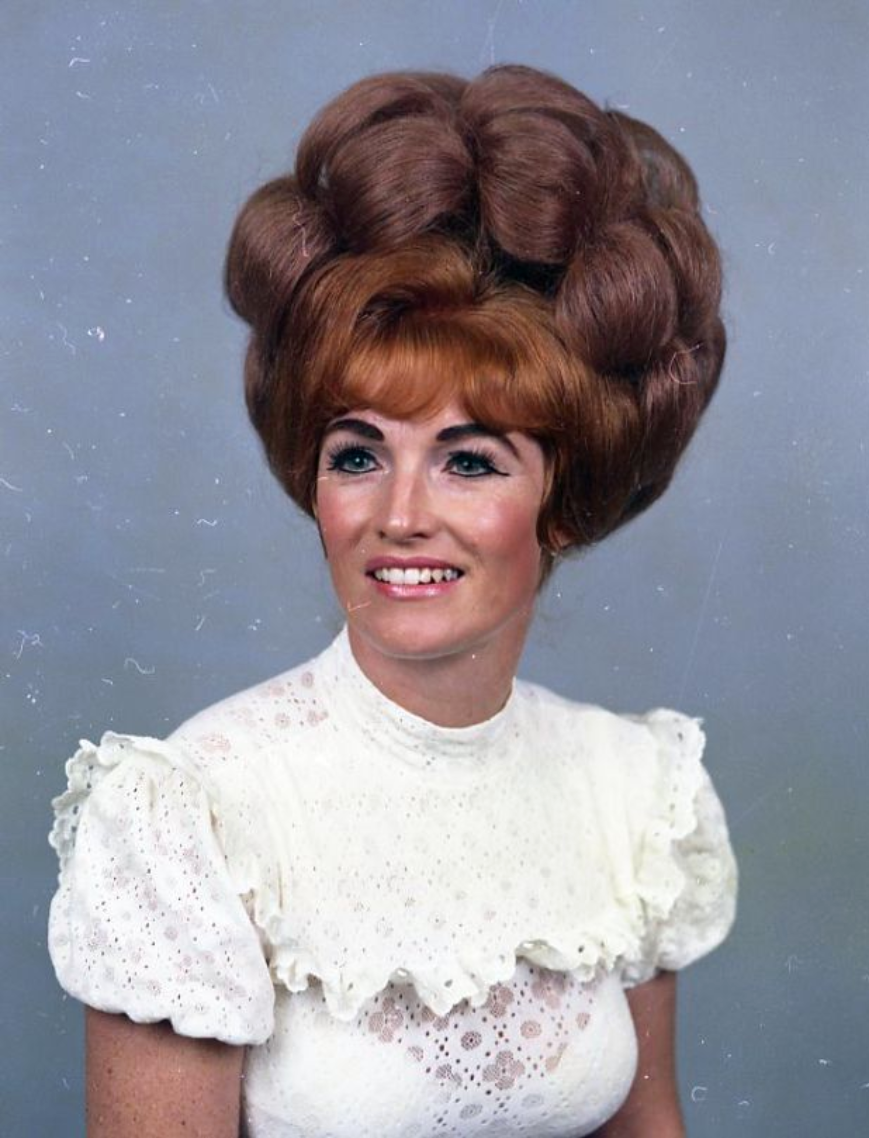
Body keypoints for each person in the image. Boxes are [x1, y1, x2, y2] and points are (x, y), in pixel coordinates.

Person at [48, 64, 738, 1137]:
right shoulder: (196, 812)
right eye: (359, 452)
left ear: (563, 502)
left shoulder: (631, 789)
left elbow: (647, 1127)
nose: (401, 514)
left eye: (470, 463)